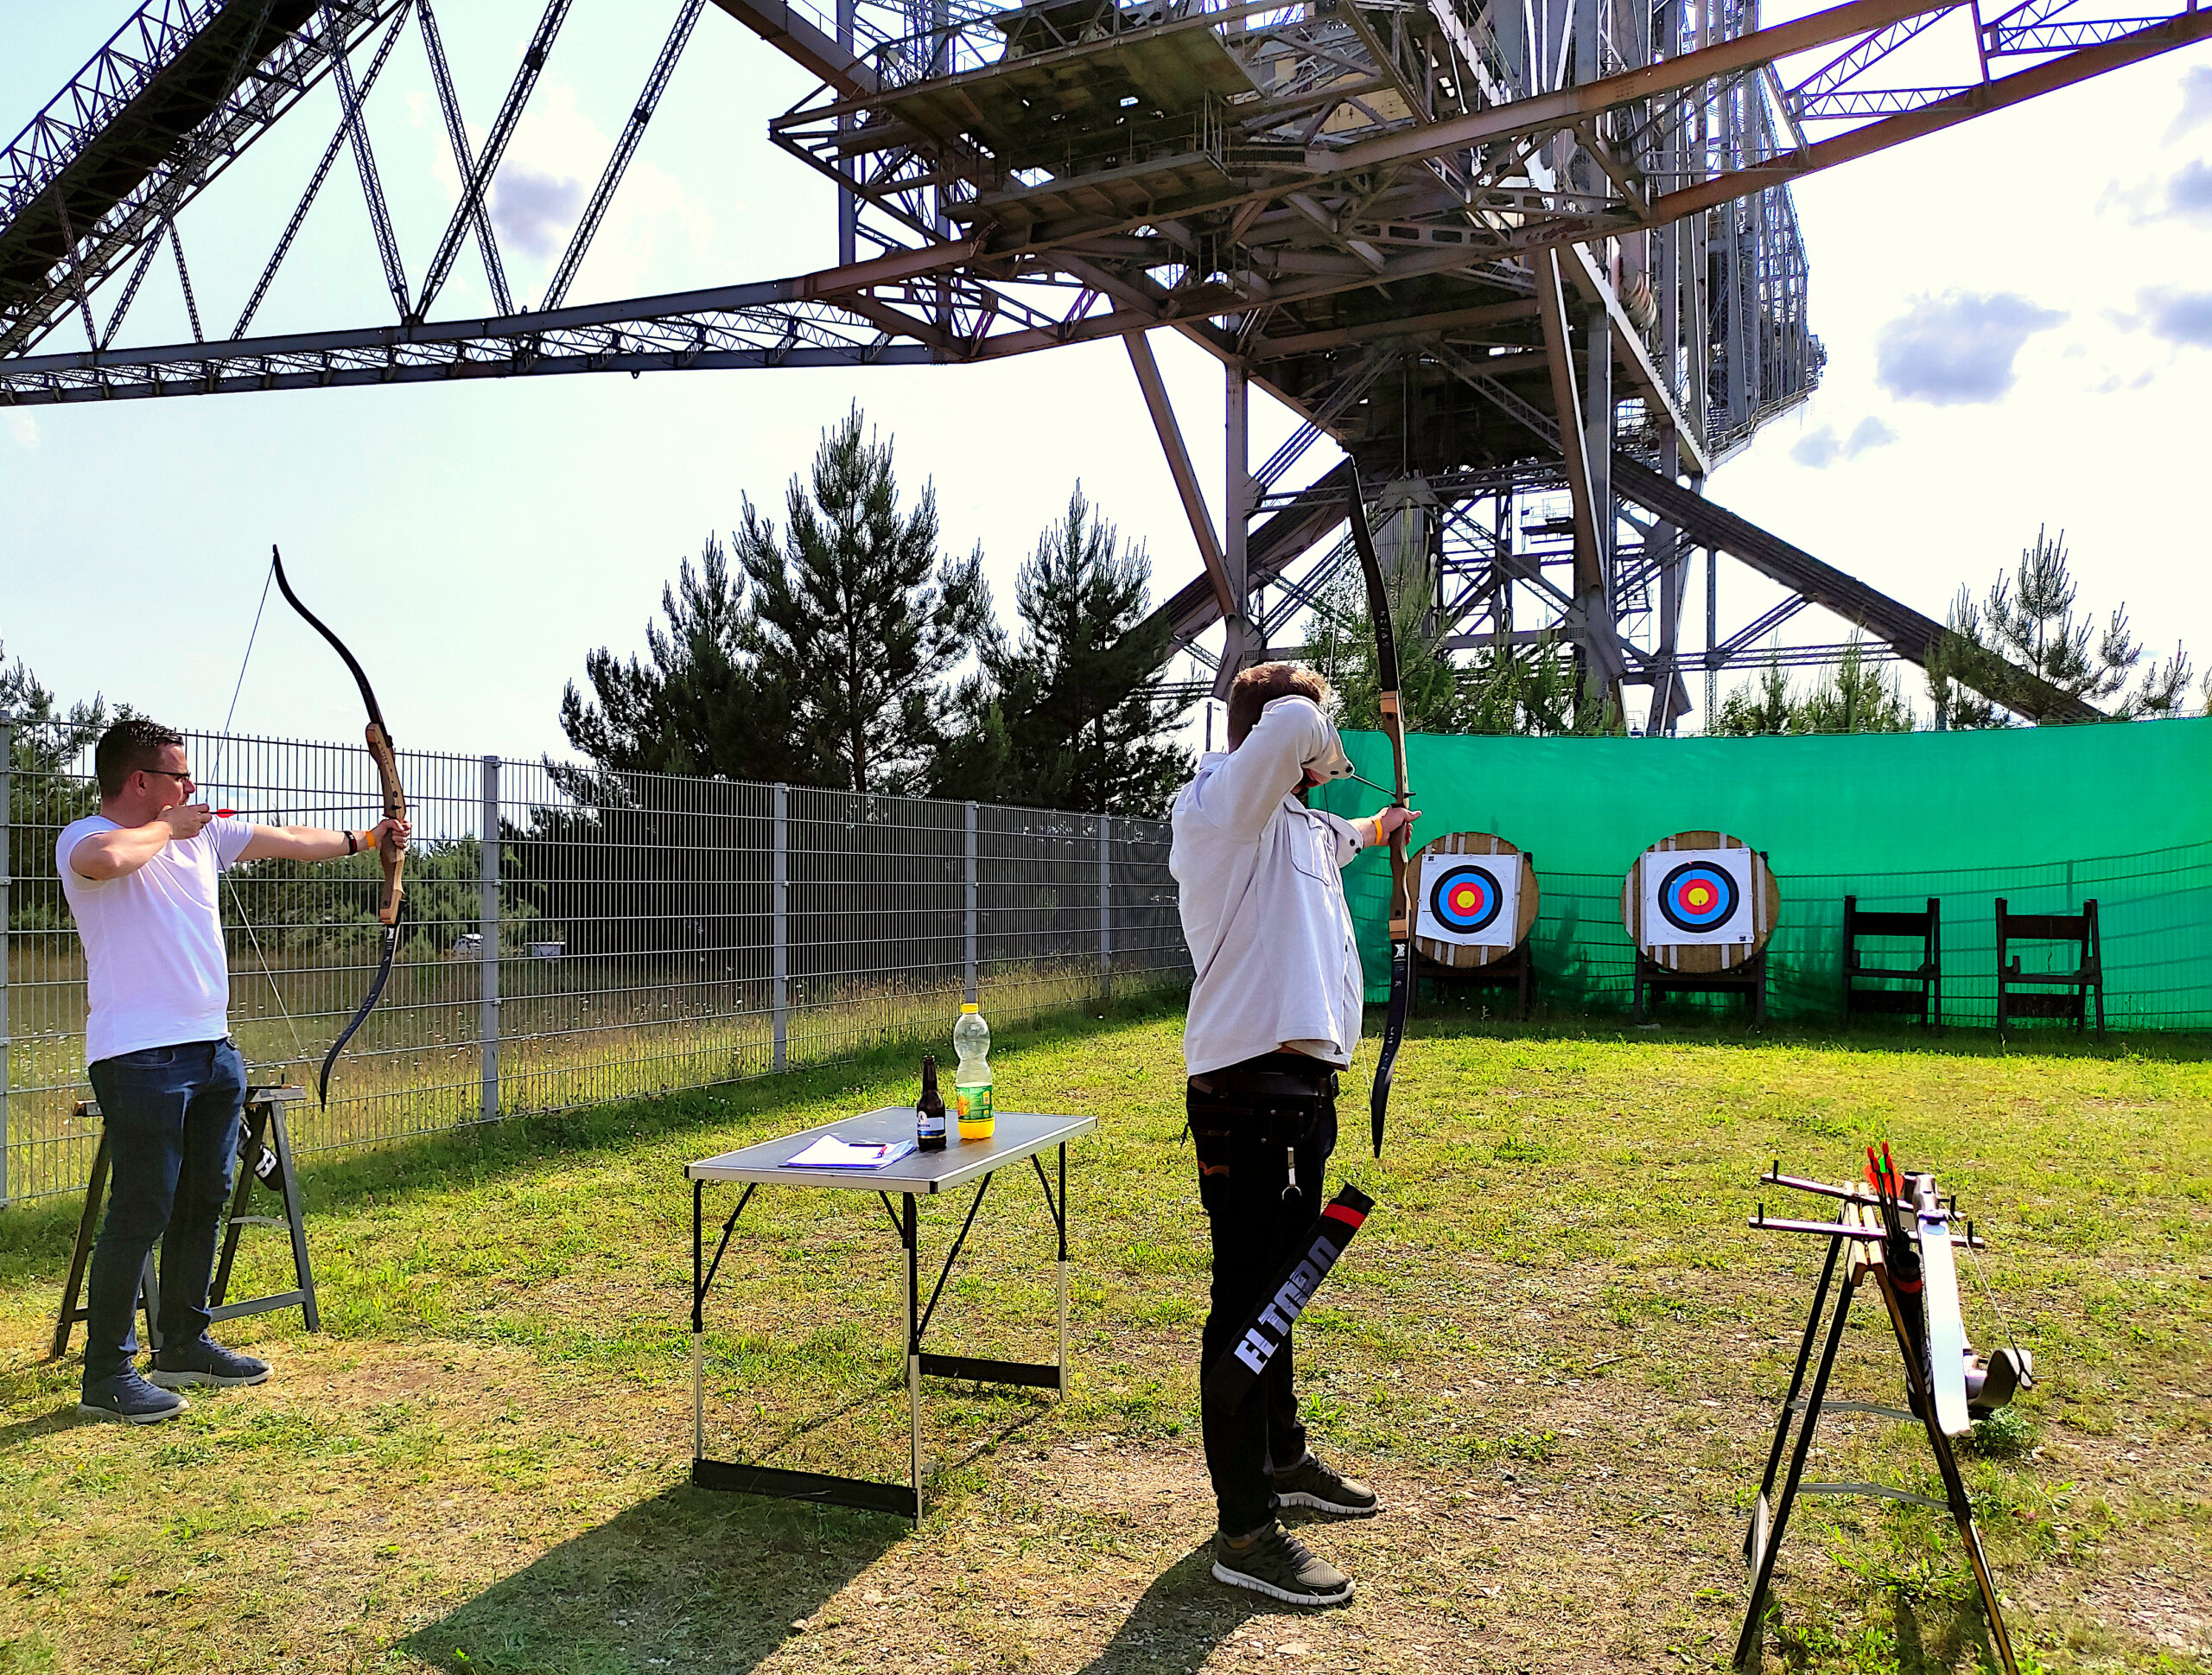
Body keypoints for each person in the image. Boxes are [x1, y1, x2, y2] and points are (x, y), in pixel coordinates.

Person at [59, 716, 410, 1424]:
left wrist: (369, 840)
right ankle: (107, 1375)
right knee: (143, 1206)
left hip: (213, 1050)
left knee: (205, 1196)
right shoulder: (88, 836)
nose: (193, 786)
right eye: (179, 776)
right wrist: (170, 828)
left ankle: (183, 1344)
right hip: (138, 1055)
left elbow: (292, 841)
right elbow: (108, 860)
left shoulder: (203, 834)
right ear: (140, 782)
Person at [1168, 662, 1420, 1606]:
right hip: (1246, 1097)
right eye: (1316, 731)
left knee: (1280, 1296)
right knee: (1246, 1306)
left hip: (1302, 1096)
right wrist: (1329, 740)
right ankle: (1243, 1528)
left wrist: (1383, 824)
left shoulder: (1298, 827)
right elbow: (1285, 733)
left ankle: (1280, 1455)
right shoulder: (1217, 807)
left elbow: (1347, 836)